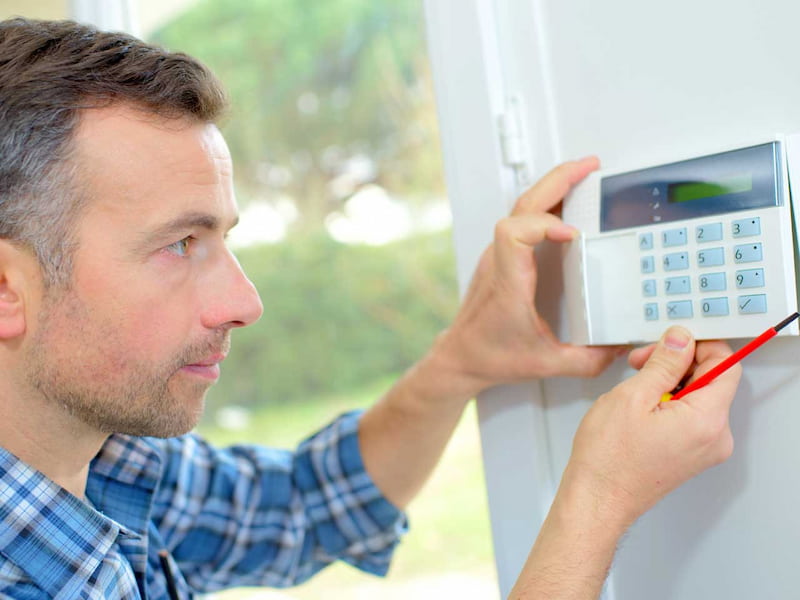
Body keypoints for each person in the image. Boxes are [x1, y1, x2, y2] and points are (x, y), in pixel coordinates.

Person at [0, 17, 741, 600]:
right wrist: (597, 502)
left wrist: (464, 359)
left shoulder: (106, 462)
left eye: (223, 237)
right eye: (179, 245)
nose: (245, 303)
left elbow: (300, 507)